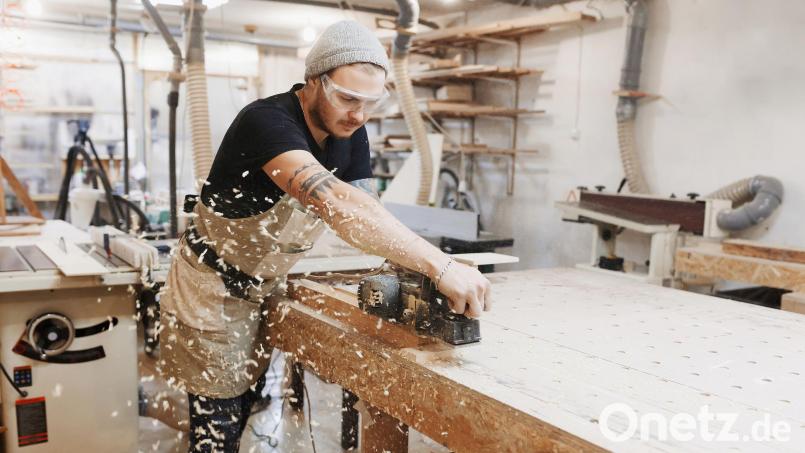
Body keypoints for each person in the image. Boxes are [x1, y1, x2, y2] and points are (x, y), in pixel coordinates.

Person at [159, 20, 492, 452]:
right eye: (347, 98)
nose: (358, 115)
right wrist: (441, 265)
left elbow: (367, 209)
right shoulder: (267, 121)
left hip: (265, 285)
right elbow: (336, 202)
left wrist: (417, 273)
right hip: (210, 289)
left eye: (370, 103)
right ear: (314, 81)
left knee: (248, 404)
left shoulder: (351, 132)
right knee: (217, 431)